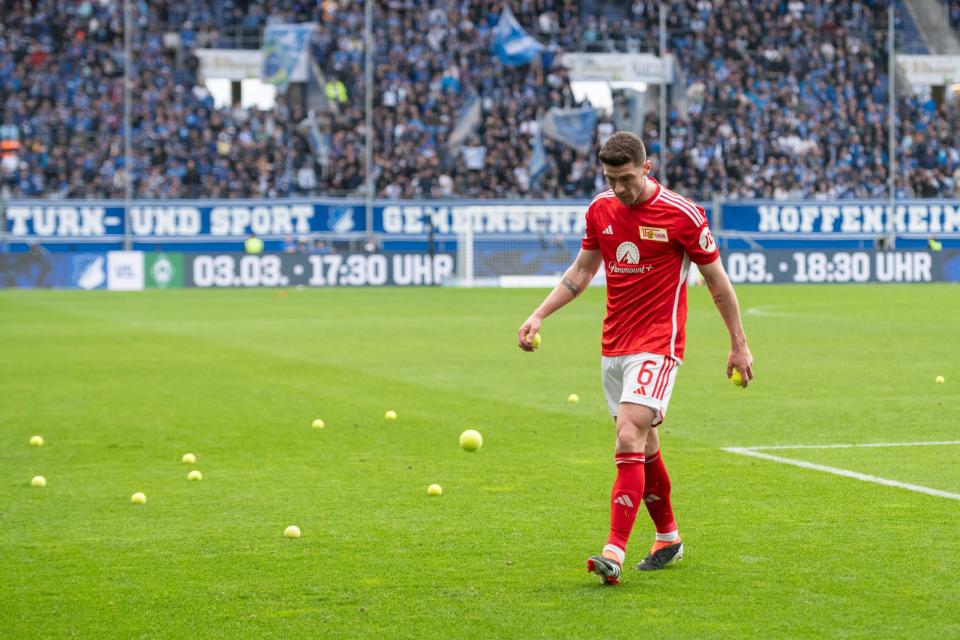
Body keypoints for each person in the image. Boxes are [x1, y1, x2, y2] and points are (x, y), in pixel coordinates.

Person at [517, 131, 754, 584]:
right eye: (611, 178)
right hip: (614, 348)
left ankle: (613, 552)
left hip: (659, 346)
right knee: (644, 448)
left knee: (627, 434)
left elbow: (718, 282)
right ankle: (668, 538)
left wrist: (738, 343)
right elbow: (583, 271)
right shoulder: (600, 209)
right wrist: (539, 314)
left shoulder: (682, 215)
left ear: (647, 168)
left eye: (627, 178)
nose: (620, 188)